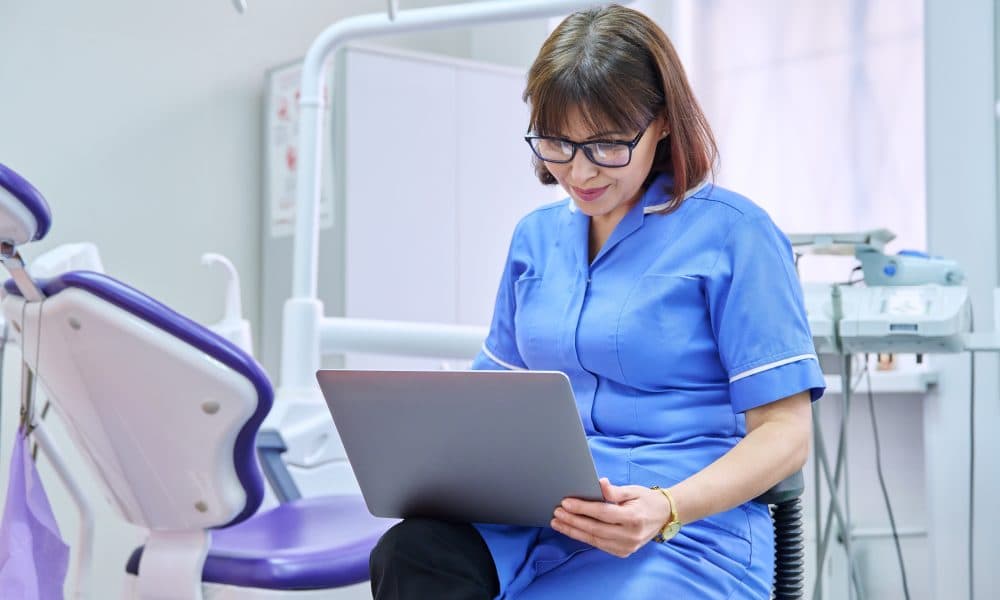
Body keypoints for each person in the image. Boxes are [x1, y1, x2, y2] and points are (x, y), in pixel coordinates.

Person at [369, 4, 824, 599]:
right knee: (411, 553)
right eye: (557, 143)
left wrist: (666, 507)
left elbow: (786, 433)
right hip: (535, 519)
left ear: (662, 123)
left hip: (681, 531)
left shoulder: (737, 235)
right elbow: (491, 397)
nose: (579, 172)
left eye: (607, 146)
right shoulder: (535, 238)